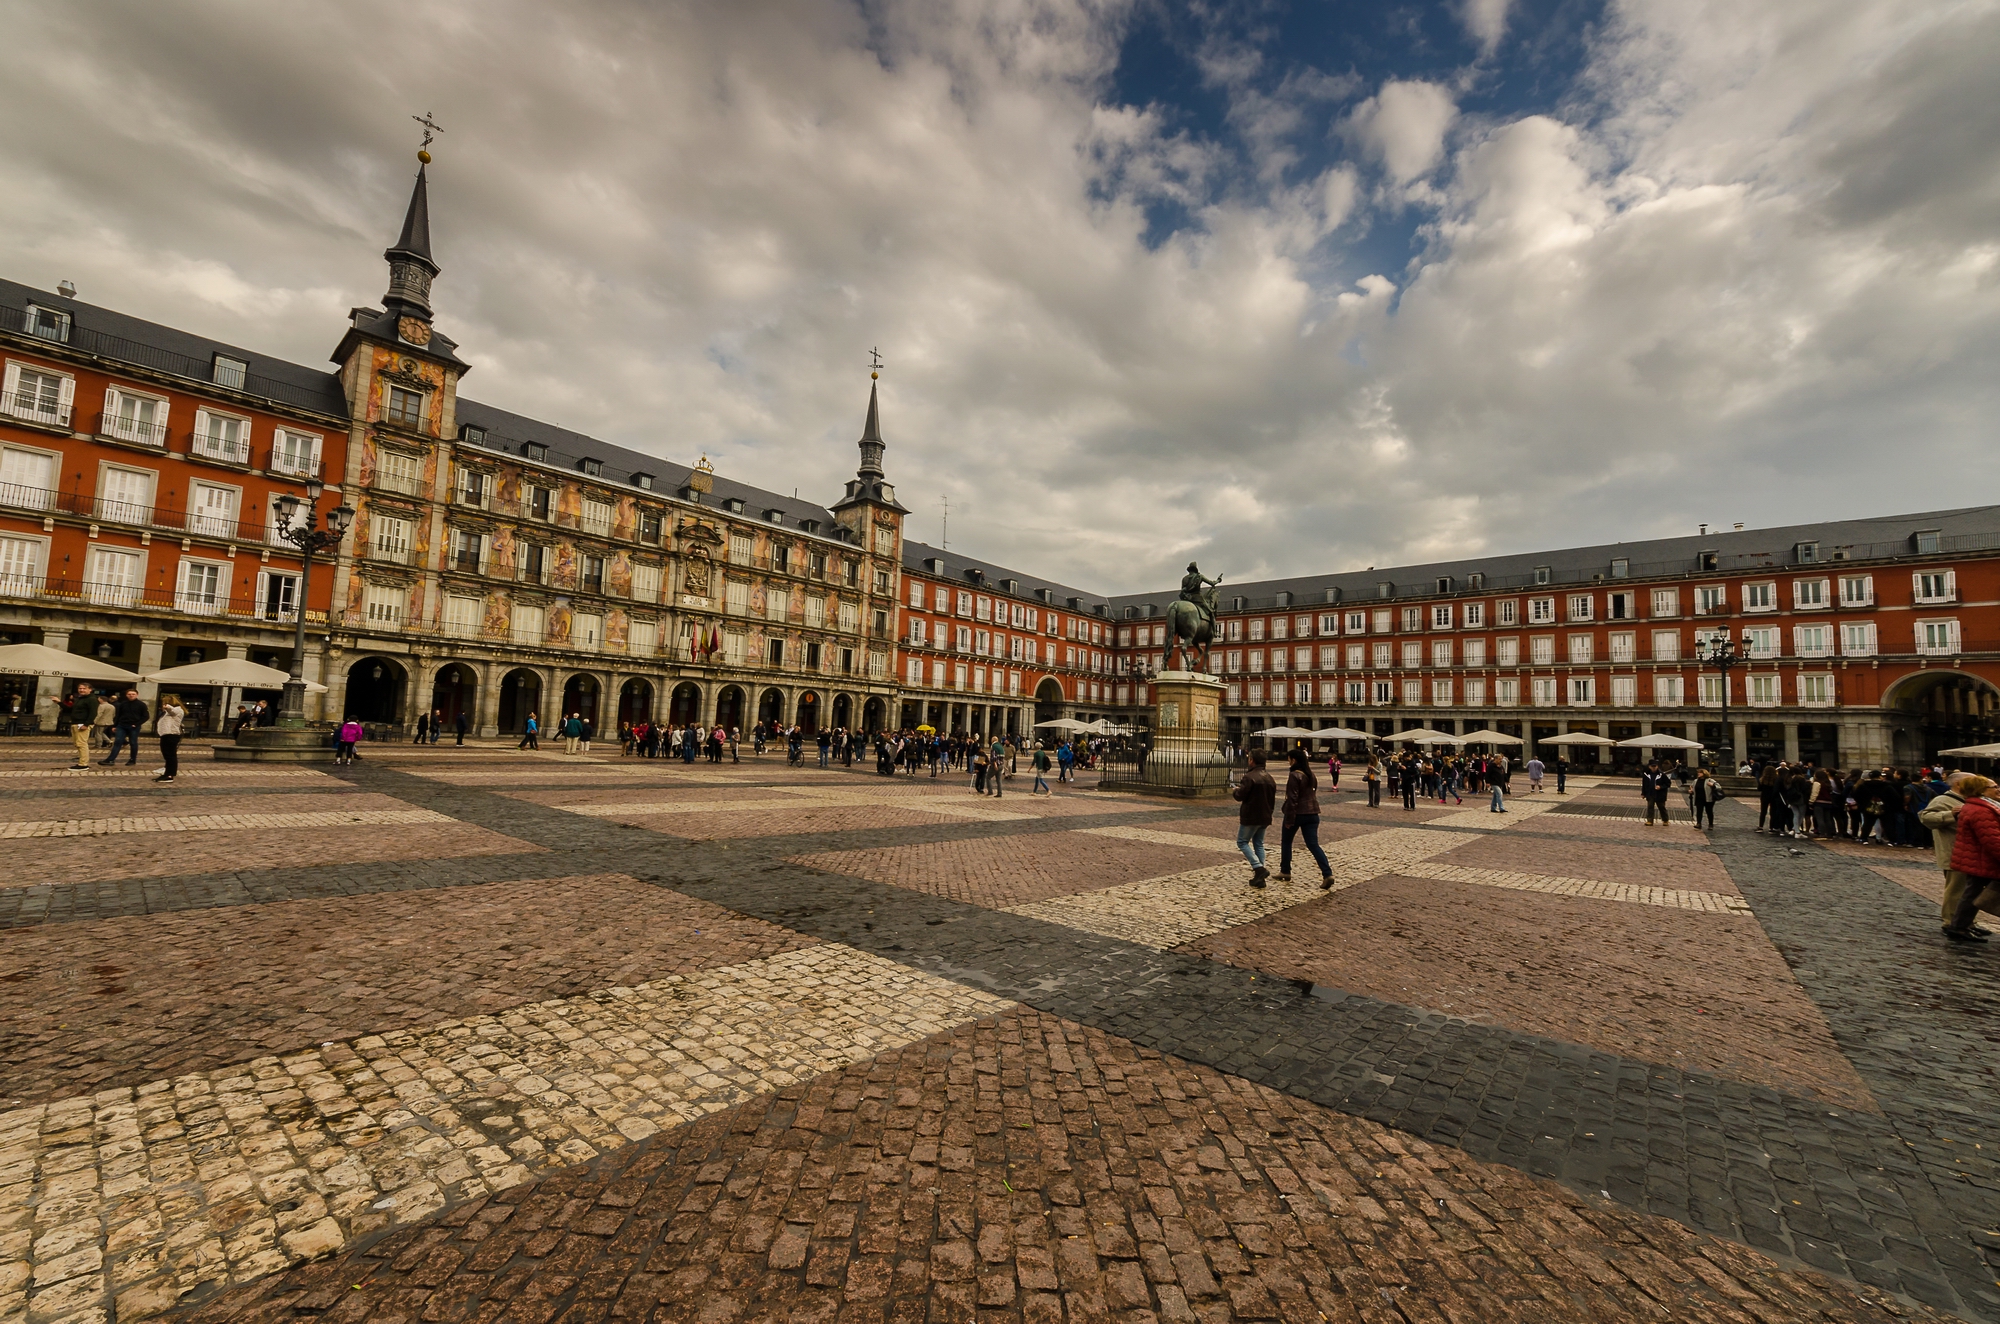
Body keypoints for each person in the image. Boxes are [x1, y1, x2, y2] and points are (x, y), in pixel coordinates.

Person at [1920, 773, 1996, 940]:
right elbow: (1926, 818)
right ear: (1960, 785)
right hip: (1952, 851)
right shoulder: (1943, 800)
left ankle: (1967, 922)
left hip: (1969, 853)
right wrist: (1950, 815)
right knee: (1956, 890)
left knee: (1968, 890)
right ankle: (1951, 922)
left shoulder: (1971, 801)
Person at [1944, 775, 2000, 942]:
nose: (1997, 789)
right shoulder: (1981, 810)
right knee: (1971, 892)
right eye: (1994, 786)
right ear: (1981, 790)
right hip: (1981, 858)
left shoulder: (1981, 806)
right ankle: (1959, 927)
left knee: (1972, 891)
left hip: (1979, 858)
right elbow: (1992, 840)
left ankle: (1961, 925)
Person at [1276, 748, 1334, 888]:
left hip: (1298, 814)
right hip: (1312, 813)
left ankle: (1285, 871)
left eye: (1289, 759)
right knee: (1313, 845)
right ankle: (1327, 873)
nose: (1288, 762)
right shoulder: (1310, 774)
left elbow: (1292, 799)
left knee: (1286, 841)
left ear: (1294, 760)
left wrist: (1289, 819)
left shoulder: (1294, 775)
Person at [1232, 749, 1276, 888]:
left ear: (1252, 760)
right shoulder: (1269, 777)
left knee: (1242, 842)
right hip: (1265, 816)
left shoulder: (1249, 777)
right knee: (1259, 843)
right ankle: (1259, 878)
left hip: (1251, 816)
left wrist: (1235, 791)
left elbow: (1240, 796)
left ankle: (1259, 868)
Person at [102, 688, 149, 767]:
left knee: (133, 743)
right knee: (118, 742)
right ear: (126, 695)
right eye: (129, 694)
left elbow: (146, 716)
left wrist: (137, 724)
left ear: (137, 695)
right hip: (122, 725)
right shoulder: (123, 704)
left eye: (133, 694)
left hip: (134, 726)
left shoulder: (141, 704)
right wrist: (114, 725)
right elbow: (118, 715)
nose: (131, 696)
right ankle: (110, 759)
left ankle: (132, 759)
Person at [64, 683, 98, 770]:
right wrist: (59, 702)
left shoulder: (92, 699)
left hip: (82, 723)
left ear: (90, 689)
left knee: (81, 743)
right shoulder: (80, 699)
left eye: (84, 688)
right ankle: (82, 760)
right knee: (77, 744)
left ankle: (83, 764)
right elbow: (71, 709)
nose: (81, 690)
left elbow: (93, 713)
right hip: (76, 723)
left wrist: (86, 724)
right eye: (80, 688)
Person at [154, 692, 186, 782]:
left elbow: (172, 711)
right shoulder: (168, 713)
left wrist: (168, 707)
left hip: (171, 735)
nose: (163, 705)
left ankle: (169, 775)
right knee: (167, 755)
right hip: (166, 734)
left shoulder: (177, 710)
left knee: (170, 756)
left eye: (164, 702)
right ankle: (167, 773)